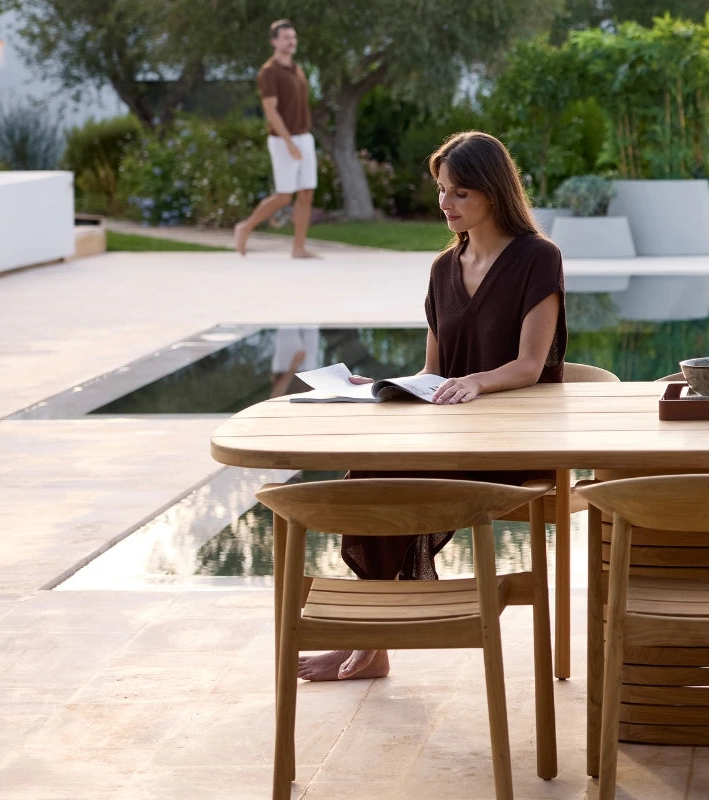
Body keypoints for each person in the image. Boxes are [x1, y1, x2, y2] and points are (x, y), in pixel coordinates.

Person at [297, 131, 567, 681]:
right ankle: (370, 640)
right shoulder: (444, 269)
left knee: (378, 479)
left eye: (460, 192)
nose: (445, 203)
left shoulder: (538, 259)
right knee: (367, 478)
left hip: (512, 441)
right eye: (442, 190)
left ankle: (369, 641)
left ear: (494, 192)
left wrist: (478, 383)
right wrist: (382, 383)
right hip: (451, 434)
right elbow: (432, 371)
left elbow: (531, 364)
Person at [233, 19, 320, 259]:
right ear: (274, 41)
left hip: (304, 136)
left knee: (306, 192)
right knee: (284, 196)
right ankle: (245, 227)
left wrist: (302, 139)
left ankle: (298, 247)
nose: (291, 41)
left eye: (293, 37)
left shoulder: (297, 69)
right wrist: (289, 142)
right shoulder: (269, 71)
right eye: (285, 37)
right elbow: (271, 111)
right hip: (283, 140)